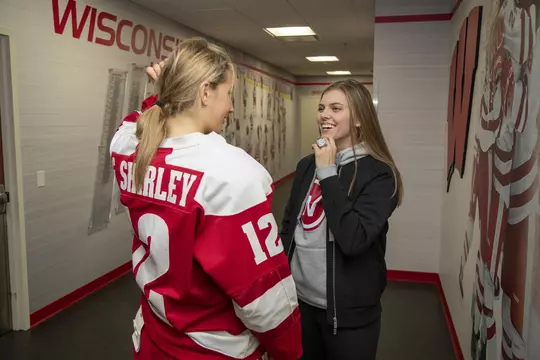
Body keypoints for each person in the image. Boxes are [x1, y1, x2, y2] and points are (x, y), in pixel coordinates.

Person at [110, 37, 302, 360]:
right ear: (205, 92)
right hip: (213, 350)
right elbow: (263, 298)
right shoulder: (232, 173)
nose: (230, 107)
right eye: (229, 94)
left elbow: (136, 124)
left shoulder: (127, 147)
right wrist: (290, 351)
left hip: (152, 338)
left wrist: (163, 98)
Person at [279, 79, 403, 360]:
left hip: (348, 316)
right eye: (322, 107)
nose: (324, 114)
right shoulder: (307, 164)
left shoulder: (380, 174)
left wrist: (328, 173)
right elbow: (289, 227)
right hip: (299, 303)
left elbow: (353, 239)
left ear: (359, 119)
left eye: (336, 108)